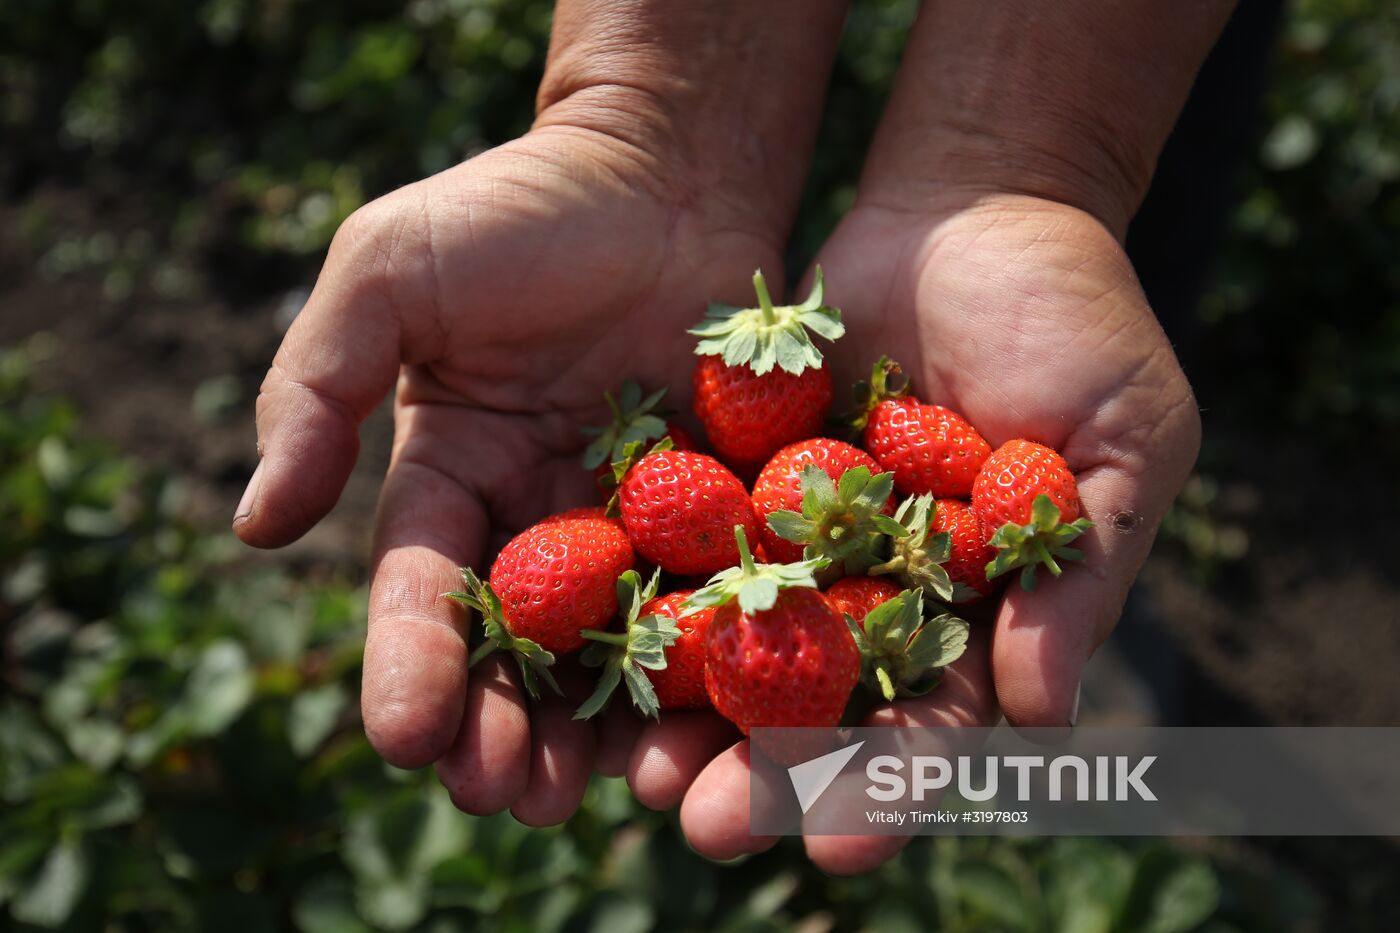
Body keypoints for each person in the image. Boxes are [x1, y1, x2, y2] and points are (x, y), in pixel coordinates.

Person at [232, 0, 1225, 875]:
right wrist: (644, 119)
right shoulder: (767, 516)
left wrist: (1036, 175)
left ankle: (1100, 592)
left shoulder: (801, 498)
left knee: (1153, 209)